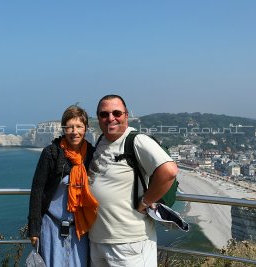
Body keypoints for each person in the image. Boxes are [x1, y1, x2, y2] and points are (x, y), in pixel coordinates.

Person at [88, 94, 178, 267]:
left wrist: (145, 201)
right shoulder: (101, 141)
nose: (110, 118)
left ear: (126, 116)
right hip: (98, 240)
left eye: (116, 113)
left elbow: (169, 171)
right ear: (98, 118)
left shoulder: (137, 140)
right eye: (104, 114)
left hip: (129, 242)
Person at [28, 105, 99, 267]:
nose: (75, 131)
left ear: (86, 128)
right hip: (52, 227)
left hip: (81, 229)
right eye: (70, 127)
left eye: (79, 126)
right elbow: (37, 190)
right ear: (63, 128)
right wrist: (34, 229)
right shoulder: (51, 153)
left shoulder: (92, 154)